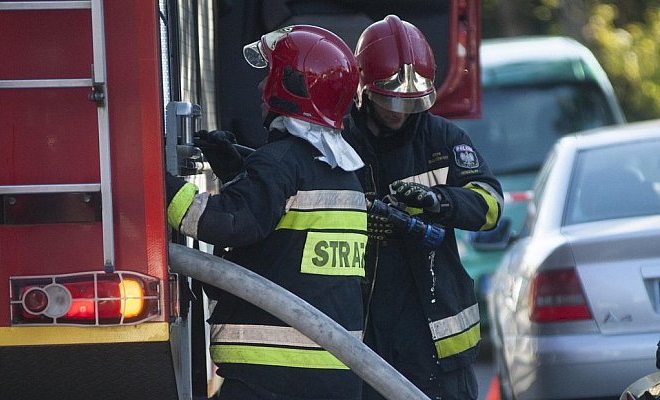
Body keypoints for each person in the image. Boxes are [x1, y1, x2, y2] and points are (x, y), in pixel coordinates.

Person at [165, 25, 368, 400]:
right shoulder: (343, 174)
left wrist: (157, 185)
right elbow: (282, 244)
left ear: (291, 86)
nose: (261, 87)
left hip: (272, 374)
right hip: (336, 372)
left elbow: (229, 222)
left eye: (269, 75)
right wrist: (236, 173)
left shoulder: (281, 163)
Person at [341, 15, 503, 400]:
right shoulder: (339, 142)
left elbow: (491, 204)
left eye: (410, 100)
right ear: (363, 87)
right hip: (363, 329)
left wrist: (440, 201)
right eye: (389, 99)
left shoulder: (443, 140)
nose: (398, 110)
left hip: (436, 340)